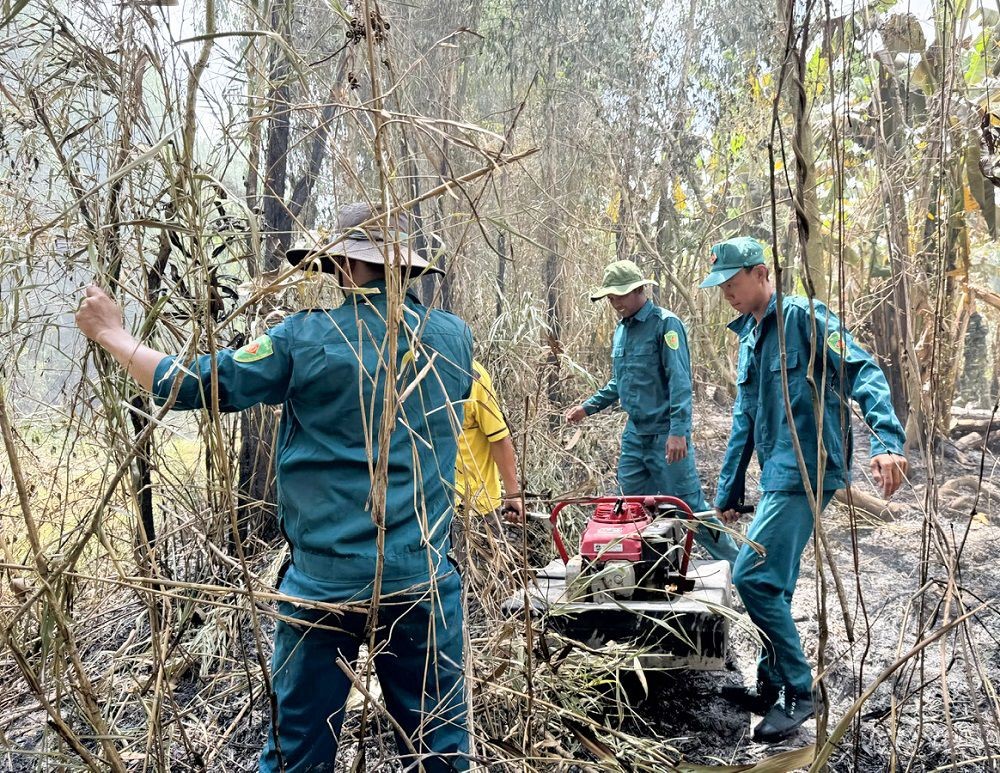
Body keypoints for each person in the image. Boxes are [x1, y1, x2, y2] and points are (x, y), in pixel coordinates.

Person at [75, 203, 473, 772]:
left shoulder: (304, 340)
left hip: (324, 588)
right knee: (440, 749)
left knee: (299, 753)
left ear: (347, 267)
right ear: (403, 269)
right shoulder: (454, 339)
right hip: (425, 581)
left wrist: (112, 334)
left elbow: (192, 385)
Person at [700, 236, 909, 743]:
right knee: (775, 581)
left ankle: (800, 691)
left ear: (761, 273)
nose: (726, 292)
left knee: (752, 577)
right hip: (776, 475)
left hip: (809, 470)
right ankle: (769, 687)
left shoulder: (804, 317)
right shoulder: (749, 337)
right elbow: (743, 420)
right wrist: (728, 492)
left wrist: (887, 440)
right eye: (720, 285)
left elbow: (862, 369)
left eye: (733, 281)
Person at [565, 259, 739, 567]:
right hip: (635, 435)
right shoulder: (621, 332)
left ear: (640, 290)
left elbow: (680, 381)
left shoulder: (665, 324)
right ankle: (644, 569)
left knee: (689, 507)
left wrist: (678, 432)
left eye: (620, 295)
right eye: (610, 296)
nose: (615, 302)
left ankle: (739, 570)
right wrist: (587, 408)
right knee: (629, 507)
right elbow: (620, 382)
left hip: (665, 433)